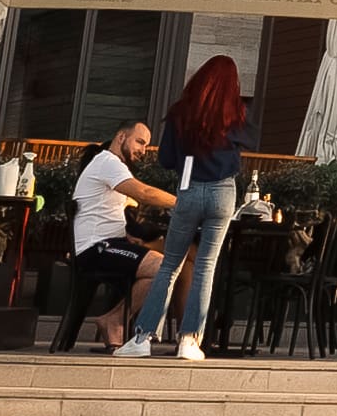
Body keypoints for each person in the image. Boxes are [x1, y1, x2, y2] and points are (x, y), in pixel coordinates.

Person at [122, 59, 247, 361]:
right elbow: (241, 151)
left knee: (170, 264)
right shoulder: (236, 114)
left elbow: (166, 159)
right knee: (206, 265)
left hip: (189, 191)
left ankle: (142, 338)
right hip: (223, 192)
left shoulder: (181, 113)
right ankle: (190, 341)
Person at [70, 119, 172, 353]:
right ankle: (117, 321)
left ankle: (117, 322)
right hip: (96, 249)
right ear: (121, 137)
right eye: (140, 142)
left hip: (108, 245)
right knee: (163, 266)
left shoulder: (111, 165)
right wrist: (184, 203)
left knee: (166, 267)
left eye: (146, 145)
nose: (143, 150)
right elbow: (144, 193)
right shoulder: (108, 161)